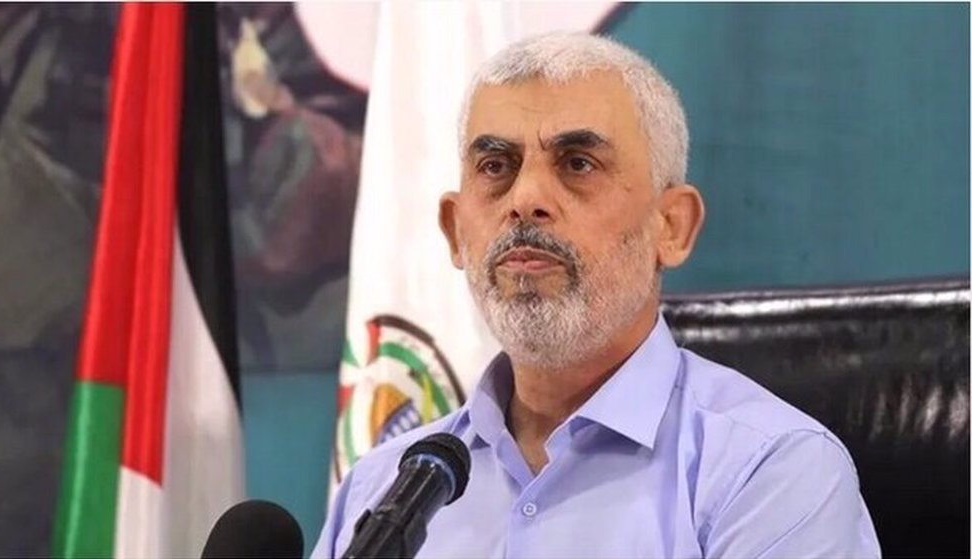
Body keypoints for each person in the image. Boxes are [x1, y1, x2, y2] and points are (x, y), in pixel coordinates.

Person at [312, 32, 881, 558]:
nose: (526, 198)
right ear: (456, 231)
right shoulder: (382, 490)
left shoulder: (772, 472)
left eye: (578, 163)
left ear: (672, 226)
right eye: (496, 166)